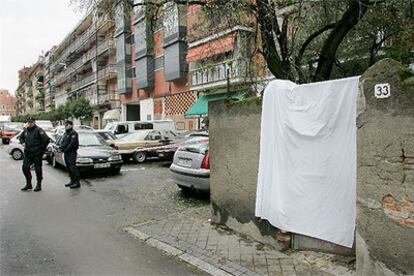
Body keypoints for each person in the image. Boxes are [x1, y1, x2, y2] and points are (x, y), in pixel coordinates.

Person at [20, 117, 50, 192]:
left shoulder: (39, 130)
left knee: (38, 169)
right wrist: (22, 142)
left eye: (31, 122)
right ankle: (28, 184)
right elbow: (21, 137)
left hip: (37, 153)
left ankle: (39, 184)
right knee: (25, 168)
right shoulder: (26, 130)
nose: (30, 123)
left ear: (34, 122)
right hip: (28, 153)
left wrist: (41, 150)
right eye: (29, 122)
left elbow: (46, 139)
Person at [60, 120, 80, 189]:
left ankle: (77, 182)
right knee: (68, 167)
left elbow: (72, 144)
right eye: (65, 125)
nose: (66, 126)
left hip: (71, 153)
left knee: (72, 167)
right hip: (66, 153)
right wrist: (61, 148)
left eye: (67, 125)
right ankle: (72, 181)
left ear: (71, 125)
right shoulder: (66, 133)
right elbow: (63, 142)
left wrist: (65, 149)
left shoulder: (73, 133)